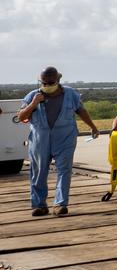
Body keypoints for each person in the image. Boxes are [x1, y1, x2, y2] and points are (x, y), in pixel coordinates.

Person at [16, 67, 99, 217]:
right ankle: (39, 205)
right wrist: (33, 104)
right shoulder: (32, 96)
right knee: (39, 172)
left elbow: (81, 110)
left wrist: (92, 127)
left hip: (65, 137)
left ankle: (60, 204)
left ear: (58, 80)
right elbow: (21, 117)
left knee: (64, 170)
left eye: (50, 82)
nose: (47, 85)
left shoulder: (70, 94)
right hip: (40, 140)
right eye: (44, 83)